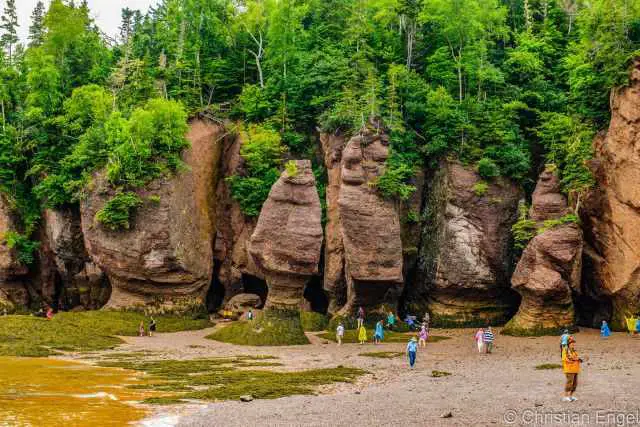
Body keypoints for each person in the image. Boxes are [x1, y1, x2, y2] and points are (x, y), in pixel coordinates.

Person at [562, 337, 582, 402]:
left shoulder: (573, 351)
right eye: (572, 343)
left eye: (573, 343)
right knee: (569, 382)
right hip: (569, 369)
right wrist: (576, 359)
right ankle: (565, 396)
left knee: (575, 383)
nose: (573, 345)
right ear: (568, 344)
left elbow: (576, 357)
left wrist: (579, 359)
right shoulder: (565, 350)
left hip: (575, 369)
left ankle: (570, 396)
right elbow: (566, 359)